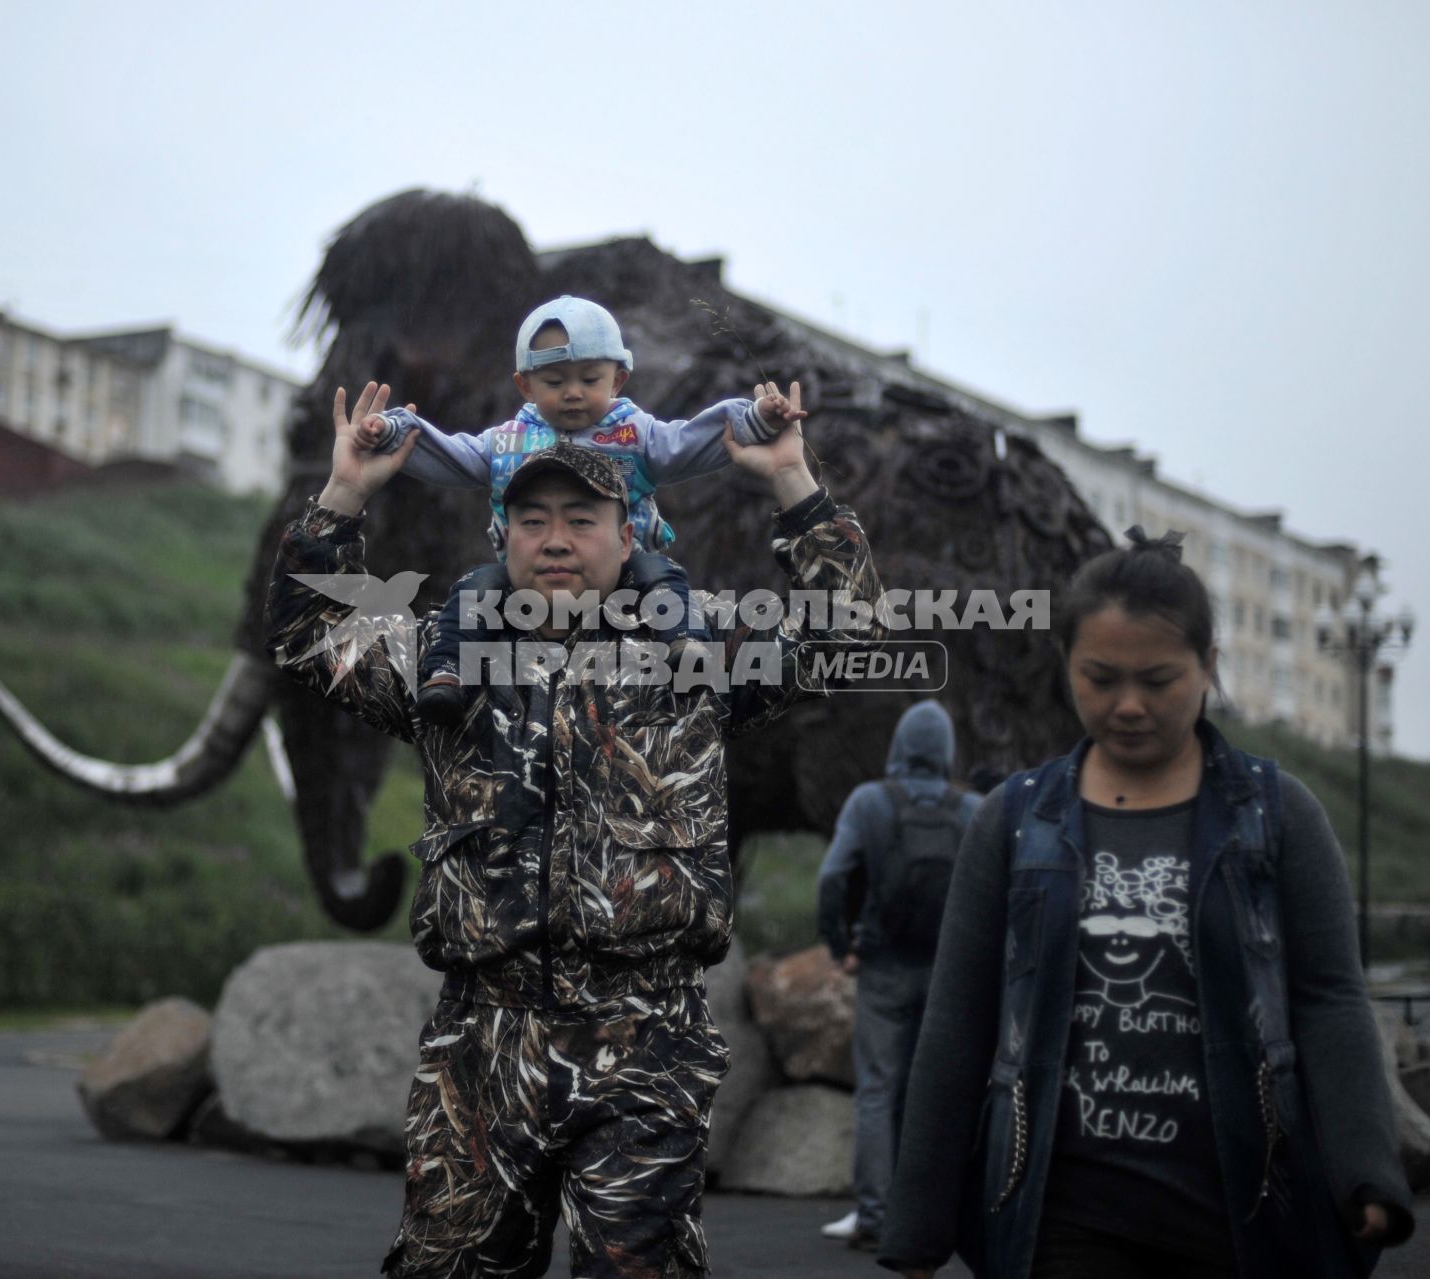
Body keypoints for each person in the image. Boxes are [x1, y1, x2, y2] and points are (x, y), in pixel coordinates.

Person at [267, 380, 883, 1278]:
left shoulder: (696, 653)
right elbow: (303, 629)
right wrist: (346, 492)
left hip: (645, 1042)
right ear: (501, 536)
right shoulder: (446, 658)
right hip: (483, 1044)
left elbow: (847, 628)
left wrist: (793, 479)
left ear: (629, 533)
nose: (555, 539)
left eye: (582, 518)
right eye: (532, 520)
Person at [877, 527, 1414, 1279]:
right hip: (1061, 1219)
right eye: (1100, 676)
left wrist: (1368, 1168)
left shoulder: (1278, 814)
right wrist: (917, 1223)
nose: (1128, 704)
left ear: (1208, 668)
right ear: (1067, 664)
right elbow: (958, 1017)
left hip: (1244, 1211)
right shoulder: (1014, 819)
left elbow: (1331, 999)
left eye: (1157, 680)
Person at [356, 294, 804, 724]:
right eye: (554, 382)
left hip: (632, 571)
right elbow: (454, 454)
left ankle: (684, 645)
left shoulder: (633, 434)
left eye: (589, 380)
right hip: (519, 589)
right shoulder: (509, 441)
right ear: (525, 385)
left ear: (618, 379)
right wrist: (394, 434)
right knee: (474, 589)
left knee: (663, 579)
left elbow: (688, 441)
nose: (572, 393)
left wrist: (754, 422)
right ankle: (446, 671)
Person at [815, 700, 981, 1250]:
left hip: (883, 967)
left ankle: (874, 1216)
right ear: (947, 751)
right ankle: (933, 1216)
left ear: (899, 745)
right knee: (936, 1094)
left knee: (876, 1091)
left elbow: (833, 879)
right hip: (948, 973)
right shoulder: (973, 809)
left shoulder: (869, 802)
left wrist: (841, 947)